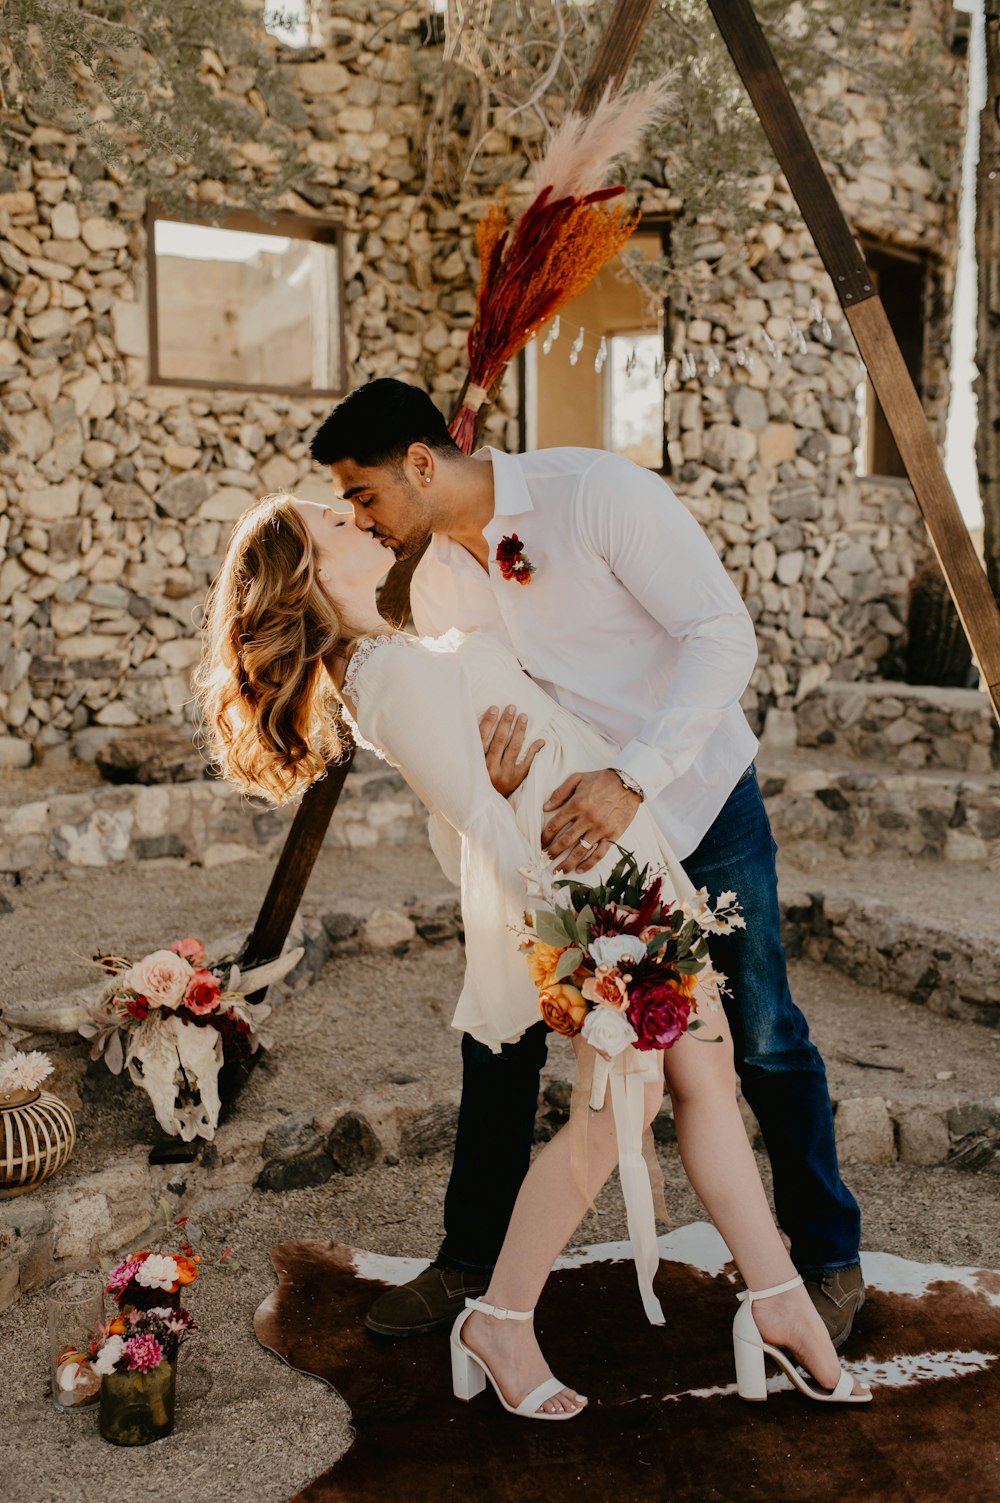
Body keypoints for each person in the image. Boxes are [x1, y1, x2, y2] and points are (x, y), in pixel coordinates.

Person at [194, 490, 871, 1418]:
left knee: (707, 1080)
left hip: (633, 860)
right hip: (590, 894)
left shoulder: (407, 641)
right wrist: (580, 929)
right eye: (335, 525)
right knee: (611, 1122)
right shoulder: (379, 682)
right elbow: (484, 827)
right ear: (307, 579)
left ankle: (780, 1304)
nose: (360, 522)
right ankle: (501, 1319)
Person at [306, 379, 865, 1353]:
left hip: (692, 800)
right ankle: (471, 1266)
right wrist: (496, 801)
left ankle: (824, 1260)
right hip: (565, 837)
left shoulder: (598, 493)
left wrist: (635, 780)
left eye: (363, 494)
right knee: (503, 1030)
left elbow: (721, 635)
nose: (356, 517)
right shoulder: (429, 570)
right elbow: (469, 698)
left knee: (763, 1031)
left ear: (424, 464)